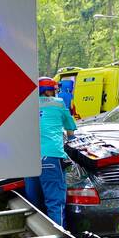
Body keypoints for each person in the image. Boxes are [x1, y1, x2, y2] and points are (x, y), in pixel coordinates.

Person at [25, 77, 76, 227]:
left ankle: (38, 236)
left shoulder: (27, 105)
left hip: (29, 159)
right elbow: (70, 130)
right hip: (51, 157)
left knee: (34, 204)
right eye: (54, 90)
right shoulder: (59, 103)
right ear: (47, 91)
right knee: (55, 203)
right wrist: (70, 137)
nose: (55, 93)